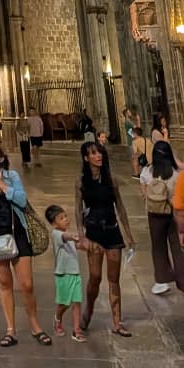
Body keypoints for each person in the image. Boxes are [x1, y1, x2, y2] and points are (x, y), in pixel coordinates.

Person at [0, 143, 51, 347]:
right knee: (5, 284)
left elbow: (22, 201)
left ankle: (35, 325)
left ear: (1, 157)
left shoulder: (11, 176)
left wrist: (3, 185)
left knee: (27, 284)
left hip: (17, 234)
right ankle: (11, 330)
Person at [75, 140, 134, 335]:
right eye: (93, 153)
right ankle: (89, 308)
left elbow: (121, 207)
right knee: (95, 277)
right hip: (93, 233)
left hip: (112, 230)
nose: (98, 156)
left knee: (113, 278)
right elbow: (77, 210)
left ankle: (117, 321)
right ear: (86, 158)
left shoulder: (111, 179)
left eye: (99, 152)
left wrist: (128, 234)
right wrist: (81, 236)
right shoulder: (81, 182)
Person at [140, 139, 183, 294]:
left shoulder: (147, 172)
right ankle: (182, 278)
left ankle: (161, 281)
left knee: (158, 247)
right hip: (173, 213)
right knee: (177, 247)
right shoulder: (177, 173)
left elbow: (144, 193)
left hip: (154, 214)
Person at [45, 205, 85, 342]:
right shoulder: (56, 234)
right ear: (54, 223)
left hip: (75, 273)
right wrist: (73, 236)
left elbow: (77, 244)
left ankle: (76, 330)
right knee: (64, 303)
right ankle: (58, 317)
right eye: (61, 218)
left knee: (77, 302)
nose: (66, 220)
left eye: (65, 216)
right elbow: (65, 236)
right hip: (63, 274)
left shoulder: (69, 235)